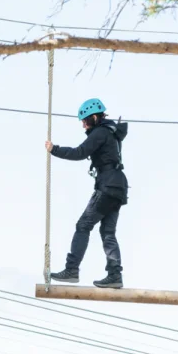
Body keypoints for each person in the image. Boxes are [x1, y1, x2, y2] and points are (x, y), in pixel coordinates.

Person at [46, 98, 130, 289]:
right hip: (118, 187)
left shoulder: (100, 132)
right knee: (107, 232)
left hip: (107, 186)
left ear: (94, 117)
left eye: (85, 120)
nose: (83, 125)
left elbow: (79, 152)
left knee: (83, 225)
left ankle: (72, 269)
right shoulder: (111, 133)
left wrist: (54, 150)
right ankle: (115, 275)